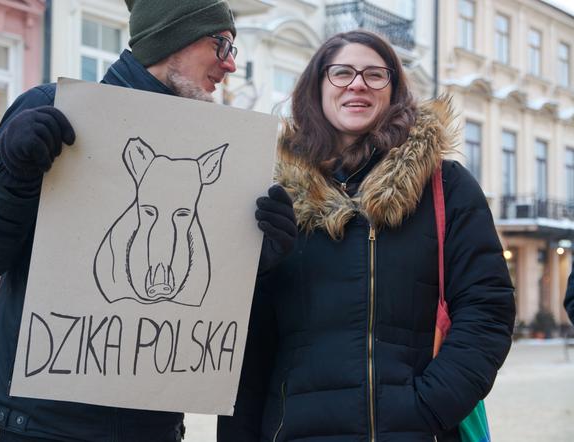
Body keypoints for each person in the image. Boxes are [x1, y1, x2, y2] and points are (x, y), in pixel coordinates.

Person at [0, 1, 236, 441]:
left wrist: (258, 251)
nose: (230, 63)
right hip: (43, 428)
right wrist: (13, 175)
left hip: (153, 429)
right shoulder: (52, 109)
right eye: (222, 44)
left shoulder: (216, 150)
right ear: (173, 37)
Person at [218, 30, 516, 442]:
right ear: (316, 87)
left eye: (375, 75)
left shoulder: (446, 187)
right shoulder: (269, 194)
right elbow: (242, 338)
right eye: (341, 72)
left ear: (393, 92)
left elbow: (487, 309)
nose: (357, 83)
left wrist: (428, 410)